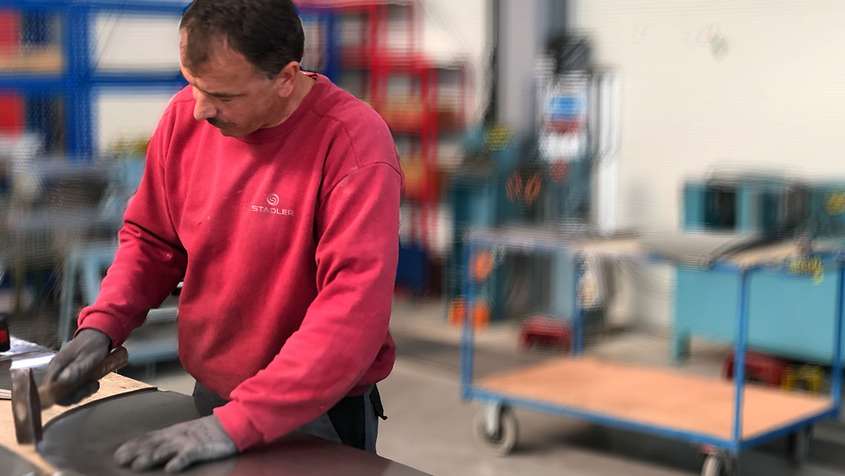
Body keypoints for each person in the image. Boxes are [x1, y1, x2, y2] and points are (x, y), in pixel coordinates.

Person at [44, 0, 402, 472]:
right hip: (212, 393)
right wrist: (101, 326)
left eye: (223, 96)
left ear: (286, 78)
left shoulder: (353, 146)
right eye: (193, 85)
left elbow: (351, 314)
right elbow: (152, 240)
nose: (199, 111)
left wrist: (238, 423)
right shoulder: (183, 121)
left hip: (316, 411)